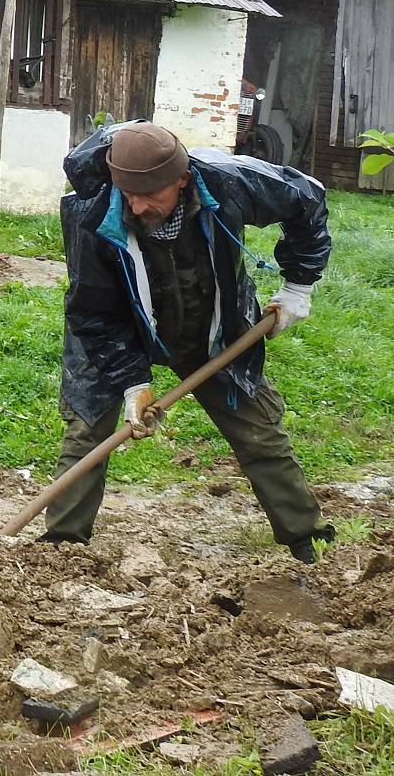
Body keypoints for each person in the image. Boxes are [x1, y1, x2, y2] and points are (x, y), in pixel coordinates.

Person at [45, 120, 334, 561]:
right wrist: (131, 382)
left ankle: (306, 539)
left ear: (182, 179)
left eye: (151, 195)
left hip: (212, 324)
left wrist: (298, 285)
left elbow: (307, 200)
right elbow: (92, 310)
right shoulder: (91, 211)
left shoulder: (229, 181)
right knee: (87, 429)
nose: (138, 207)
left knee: (258, 431)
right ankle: (61, 547)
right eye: (130, 194)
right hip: (120, 326)